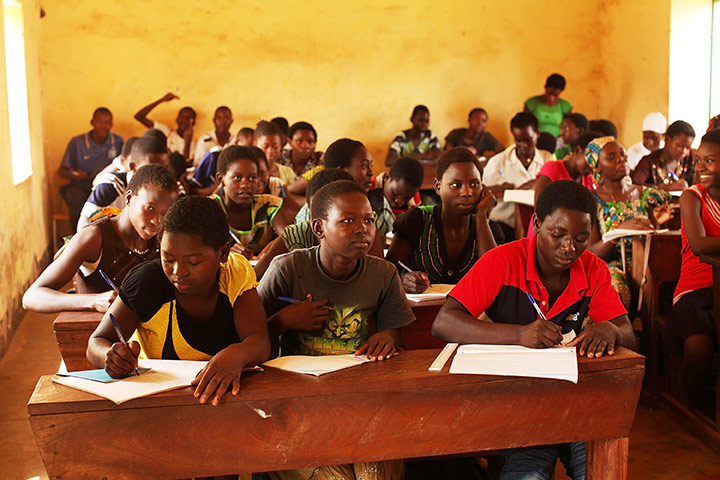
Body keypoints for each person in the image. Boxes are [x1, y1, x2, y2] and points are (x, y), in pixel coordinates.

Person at [432, 179, 634, 480]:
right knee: (532, 468)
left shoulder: (593, 269)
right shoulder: (502, 261)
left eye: (581, 238)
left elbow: (628, 333)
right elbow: (444, 322)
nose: (569, 248)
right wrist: (519, 334)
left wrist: (609, 328)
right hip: (511, 396)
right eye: (558, 234)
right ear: (537, 224)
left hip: (567, 397)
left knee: (595, 465)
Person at [258, 179, 414, 479]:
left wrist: (387, 337)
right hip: (297, 408)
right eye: (347, 220)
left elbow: (397, 338)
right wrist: (282, 321)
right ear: (319, 229)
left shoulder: (383, 273)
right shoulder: (287, 268)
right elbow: (249, 340)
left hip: (360, 402)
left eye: (369, 220)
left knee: (375, 475)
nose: (362, 228)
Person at [86, 195, 270, 408]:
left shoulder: (234, 274)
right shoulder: (147, 282)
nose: (178, 272)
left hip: (224, 402)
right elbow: (96, 342)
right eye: (168, 259)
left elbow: (259, 341)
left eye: (193, 262)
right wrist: (110, 356)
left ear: (223, 253)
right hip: (155, 402)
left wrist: (238, 353)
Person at [23, 165, 179, 313]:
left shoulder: (163, 238)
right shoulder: (94, 237)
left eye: (165, 213)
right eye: (150, 208)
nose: (157, 221)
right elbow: (32, 297)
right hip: (95, 335)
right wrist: (93, 301)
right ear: (129, 198)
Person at [386, 147, 499, 293]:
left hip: (467, 314)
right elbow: (387, 274)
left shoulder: (489, 229)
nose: (466, 192)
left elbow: (494, 276)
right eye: (456, 185)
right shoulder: (417, 220)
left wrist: (481, 215)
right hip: (418, 312)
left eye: (474, 184)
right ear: (438, 187)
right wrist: (404, 280)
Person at [585, 137, 672, 307]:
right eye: (611, 157)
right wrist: (619, 232)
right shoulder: (591, 200)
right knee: (616, 286)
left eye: (623, 154)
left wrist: (658, 222)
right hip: (612, 265)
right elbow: (591, 252)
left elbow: (654, 233)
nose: (621, 160)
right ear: (597, 167)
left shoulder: (645, 194)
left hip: (647, 260)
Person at [669, 128, 720, 413]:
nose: (700, 167)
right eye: (699, 160)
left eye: (709, 161)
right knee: (700, 347)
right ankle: (693, 404)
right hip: (695, 290)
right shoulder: (692, 197)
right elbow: (699, 245)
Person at [254, 169, 357, 280]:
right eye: (317, 212)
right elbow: (253, 279)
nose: (321, 222)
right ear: (309, 211)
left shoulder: (365, 231)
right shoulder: (296, 235)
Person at [293, 139, 395, 249]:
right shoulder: (313, 208)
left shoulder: (378, 202)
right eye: (364, 166)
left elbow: (379, 255)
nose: (371, 172)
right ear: (342, 170)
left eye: (371, 165)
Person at [482, 112, 552, 241]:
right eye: (518, 141)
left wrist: (539, 182)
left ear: (537, 134)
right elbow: (481, 189)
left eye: (528, 140)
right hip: (505, 224)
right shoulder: (498, 162)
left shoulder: (547, 159)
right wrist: (497, 188)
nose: (523, 145)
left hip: (539, 227)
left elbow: (558, 185)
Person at [211, 145, 289, 258]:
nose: (245, 185)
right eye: (237, 178)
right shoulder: (210, 209)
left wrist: (271, 248)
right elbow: (199, 249)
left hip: (263, 271)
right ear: (221, 179)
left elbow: (290, 237)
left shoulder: (268, 204)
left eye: (252, 178)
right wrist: (225, 252)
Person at [78, 136, 170, 229]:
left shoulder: (170, 189)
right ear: (133, 167)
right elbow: (84, 225)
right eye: (151, 169)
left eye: (165, 168)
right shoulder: (112, 185)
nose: (160, 174)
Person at [58, 107, 124, 233]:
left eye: (107, 122)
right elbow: (61, 171)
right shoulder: (77, 143)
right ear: (92, 122)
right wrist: (74, 174)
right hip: (81, 186)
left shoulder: (117, 141)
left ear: (111, 125)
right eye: (99, 121)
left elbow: (122, 166)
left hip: (104, 186)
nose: (103, 126)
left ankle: (107, 240)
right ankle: (78, 237)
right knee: (76, 199)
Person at [534, 131, 601, 204]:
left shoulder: (589, 179)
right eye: (591, 160)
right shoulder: (553, 169)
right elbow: (539, 204)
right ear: (577, 150)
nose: (593, 167)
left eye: (597, 164)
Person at [631, 120, 696, 191]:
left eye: (688, 148)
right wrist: (664, 187)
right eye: (679, 146)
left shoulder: (690, 159)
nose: (683, 151)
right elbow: (634, 186)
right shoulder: (649, 162)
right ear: (667, 139)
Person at [133, 92, 196, 161]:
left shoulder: (194, 143)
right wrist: (161, 100)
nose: (183, 120)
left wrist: (187, 143)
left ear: (192, 122)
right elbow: (139, 117)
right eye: (181, 116)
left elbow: (185, 164)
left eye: (187, 118)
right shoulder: (167, 133)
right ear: (177, 119)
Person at [523, 73, 572, 138]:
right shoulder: (532, 103)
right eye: (550, 94)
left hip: (557, 143)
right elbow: (524, 124)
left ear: (561, 92)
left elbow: (568, 129)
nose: (552, 98)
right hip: (535, 140)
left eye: (555, 95)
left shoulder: (565, 106)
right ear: (545, 87)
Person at [255, 120, 297, 185]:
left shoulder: (287, 172)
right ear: (255, 145)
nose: (270, 151)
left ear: (281, 145)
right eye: (265, 146)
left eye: (275, 146)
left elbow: (293, 194)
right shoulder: (249, 172)